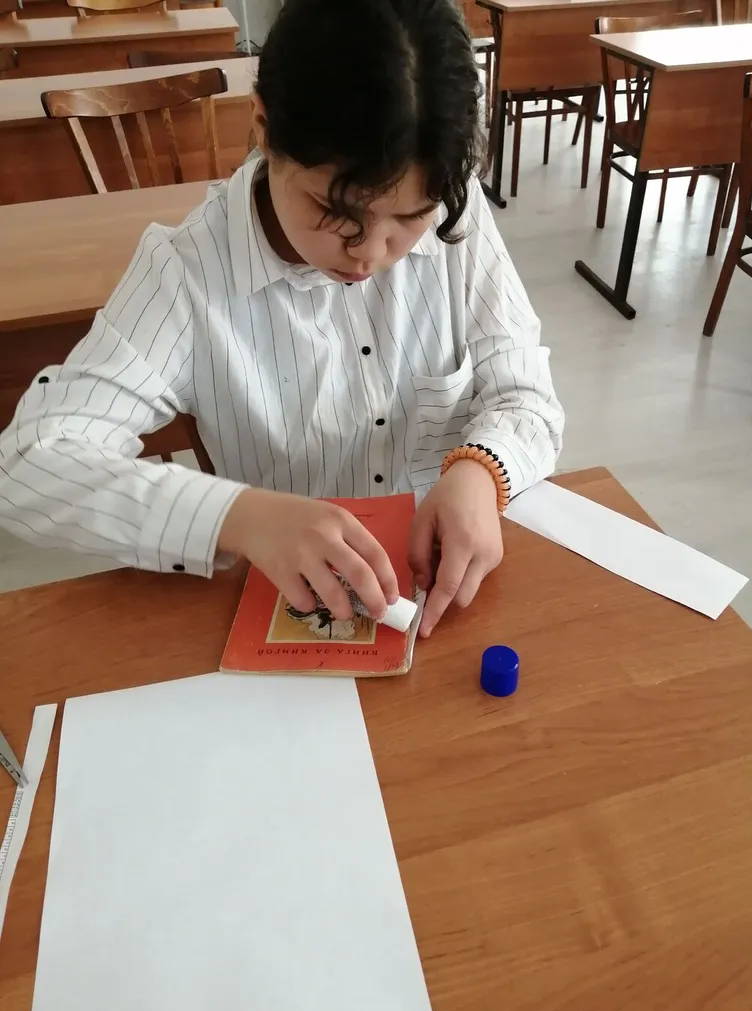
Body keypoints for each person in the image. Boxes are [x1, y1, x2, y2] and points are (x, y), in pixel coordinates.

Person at [0, 0, 563, 639]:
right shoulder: (188, 273)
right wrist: (241, 517)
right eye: (336, 211)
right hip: (296, 615)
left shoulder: (455, 217)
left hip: (447, 600)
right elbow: (29, 464)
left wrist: (482, 470)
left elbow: (525, 394)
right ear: (264, 127)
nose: (371, 252)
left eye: (410, 218)